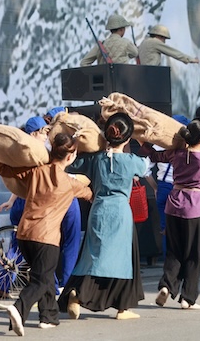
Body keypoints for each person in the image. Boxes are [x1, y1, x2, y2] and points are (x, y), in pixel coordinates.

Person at [0, 133, 93, 336]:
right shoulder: (69, 183)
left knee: (44, 276)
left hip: (23, 234)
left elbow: (5, 169)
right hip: (46, 238)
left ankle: (48, 317)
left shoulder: (35, 172)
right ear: (70, 157)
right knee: (41, 279)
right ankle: (19, 308)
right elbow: (88, 193)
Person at [58, 113, 148, 320]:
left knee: (92, 257)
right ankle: (123, 308)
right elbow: (145, 168)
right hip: (121, 213)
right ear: (127, 138)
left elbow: (74, 165)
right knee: (124, 260)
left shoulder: (95, 159)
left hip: (98, 209)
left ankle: (78, 292)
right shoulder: (131, 161)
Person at [141, 117, 200, 309]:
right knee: (194, 253)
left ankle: (167, 285)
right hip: (195, 206)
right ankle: (188, 298)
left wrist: (142, 143)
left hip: (174, 204)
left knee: (174, 250)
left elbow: (154, 156)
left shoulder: (176, 154)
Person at [0, 116, 82, 293]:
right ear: (35, 133)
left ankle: (4, 283)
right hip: (49, 201)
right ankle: (62, 287)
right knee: (54, 245)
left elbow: (21, 179)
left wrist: (12, 200)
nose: (47, 135)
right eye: (44, 132)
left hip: (24, 200)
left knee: (18, 245)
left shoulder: (19, 151)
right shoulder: (41, 153)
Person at [145, 115, 191, 258]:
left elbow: (144, 169)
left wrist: (154, 187)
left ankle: (169, 261)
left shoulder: (158, 145)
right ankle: (185, 260)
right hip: (184, 189)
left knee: (166, 229)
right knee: (186, 227)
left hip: (164, 188)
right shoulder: (190, 147)